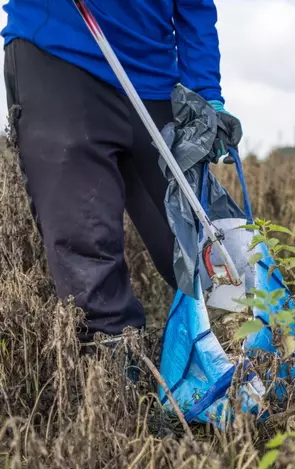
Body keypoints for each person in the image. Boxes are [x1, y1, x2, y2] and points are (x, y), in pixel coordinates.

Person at [1, 1, 243, 348]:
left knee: (214, 244)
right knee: (87, 239)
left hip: (154, 78)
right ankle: (115, 372)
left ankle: (254, 357)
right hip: (60, 55)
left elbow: (195, 6)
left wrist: (206, 94)